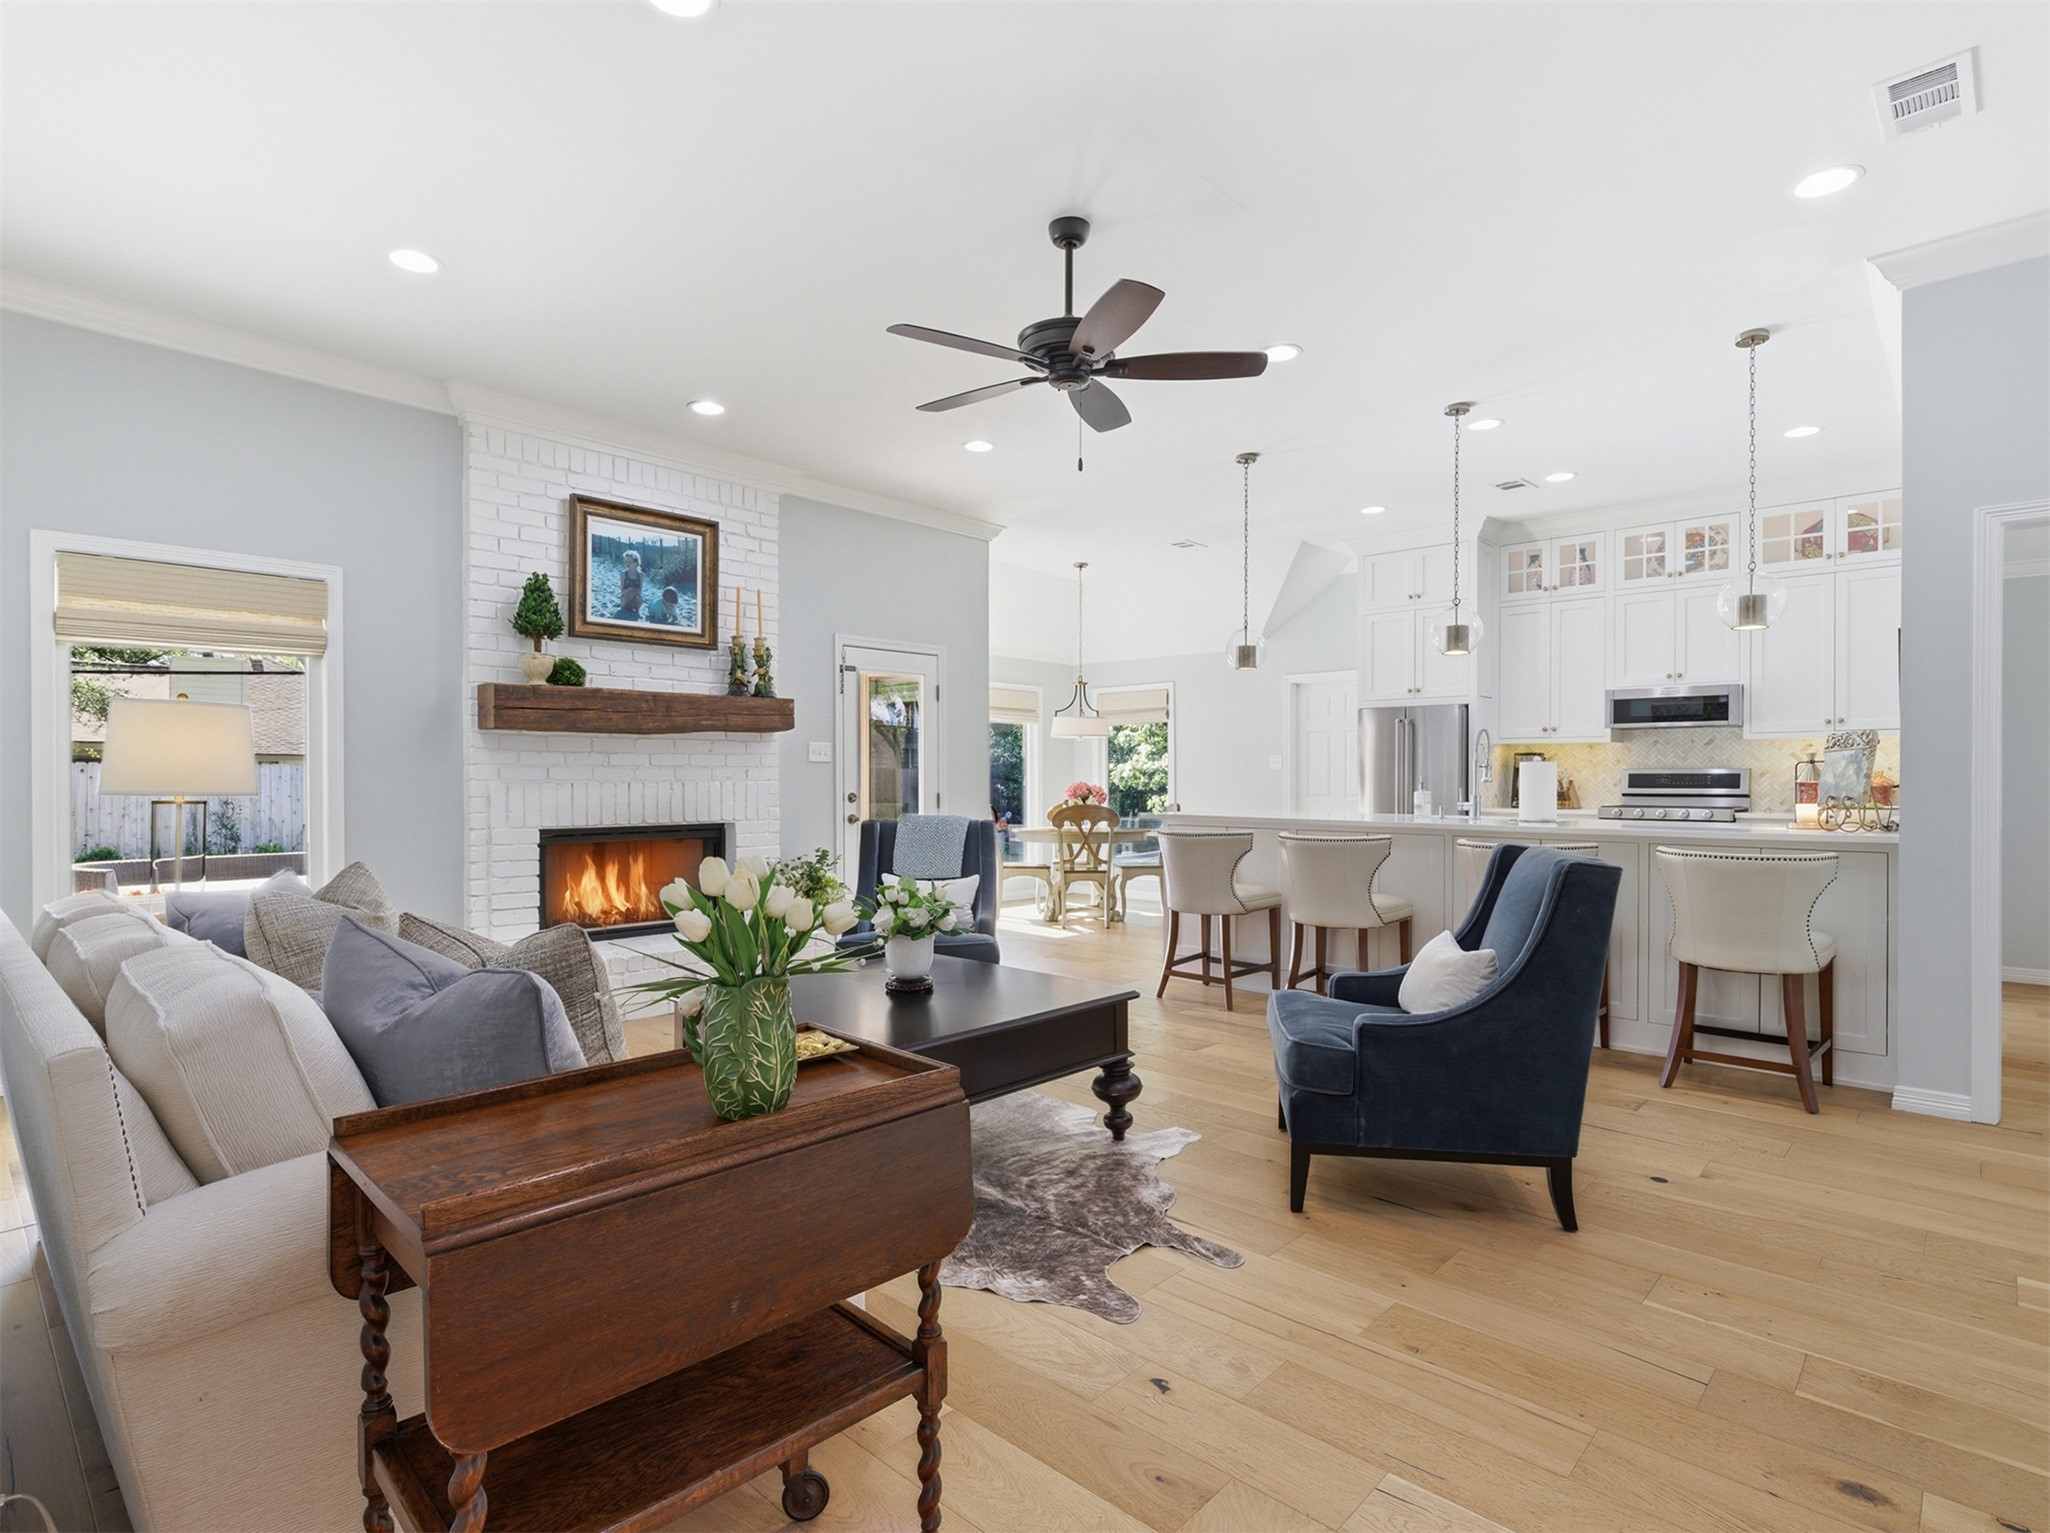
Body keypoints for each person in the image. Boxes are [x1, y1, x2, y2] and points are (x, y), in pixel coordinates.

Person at [617, 549, 643, 620]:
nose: (627, 564)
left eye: (629, 562)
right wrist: (630, 589)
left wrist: (634, 591)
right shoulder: (623, 574)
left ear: (636, 563)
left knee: (638, 597)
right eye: (625, 561)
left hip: (636, 599)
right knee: (630, 594)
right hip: (625, 598)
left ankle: (636, 609)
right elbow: (622, 591)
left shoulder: (640, 575)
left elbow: (640, 590)